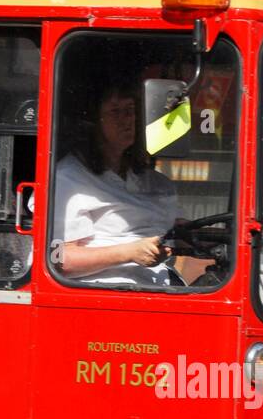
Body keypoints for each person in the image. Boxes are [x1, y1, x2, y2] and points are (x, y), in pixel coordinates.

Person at [53, 83, 198, 286]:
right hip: (103, 296)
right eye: (115, 112)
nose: (127, 120)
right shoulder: (67, 179)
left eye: (130, 111)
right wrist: (128, 253)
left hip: (161, 288)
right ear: (93, 122)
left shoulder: (155, 182)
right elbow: (59, 260)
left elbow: (180, 233)